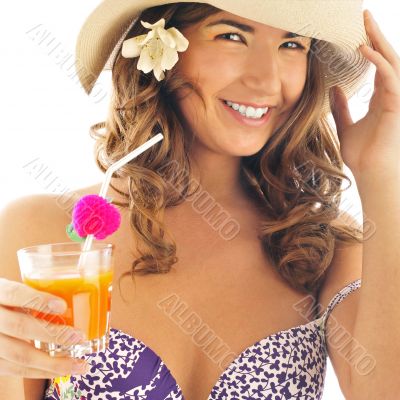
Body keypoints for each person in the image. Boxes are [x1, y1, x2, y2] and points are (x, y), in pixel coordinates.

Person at [1, 0, 400, 399]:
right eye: (231, 36)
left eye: (292, 45)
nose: (266, 80)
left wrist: (380, 175)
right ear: (161, 47)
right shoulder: (38, 236)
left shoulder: (324, 250)